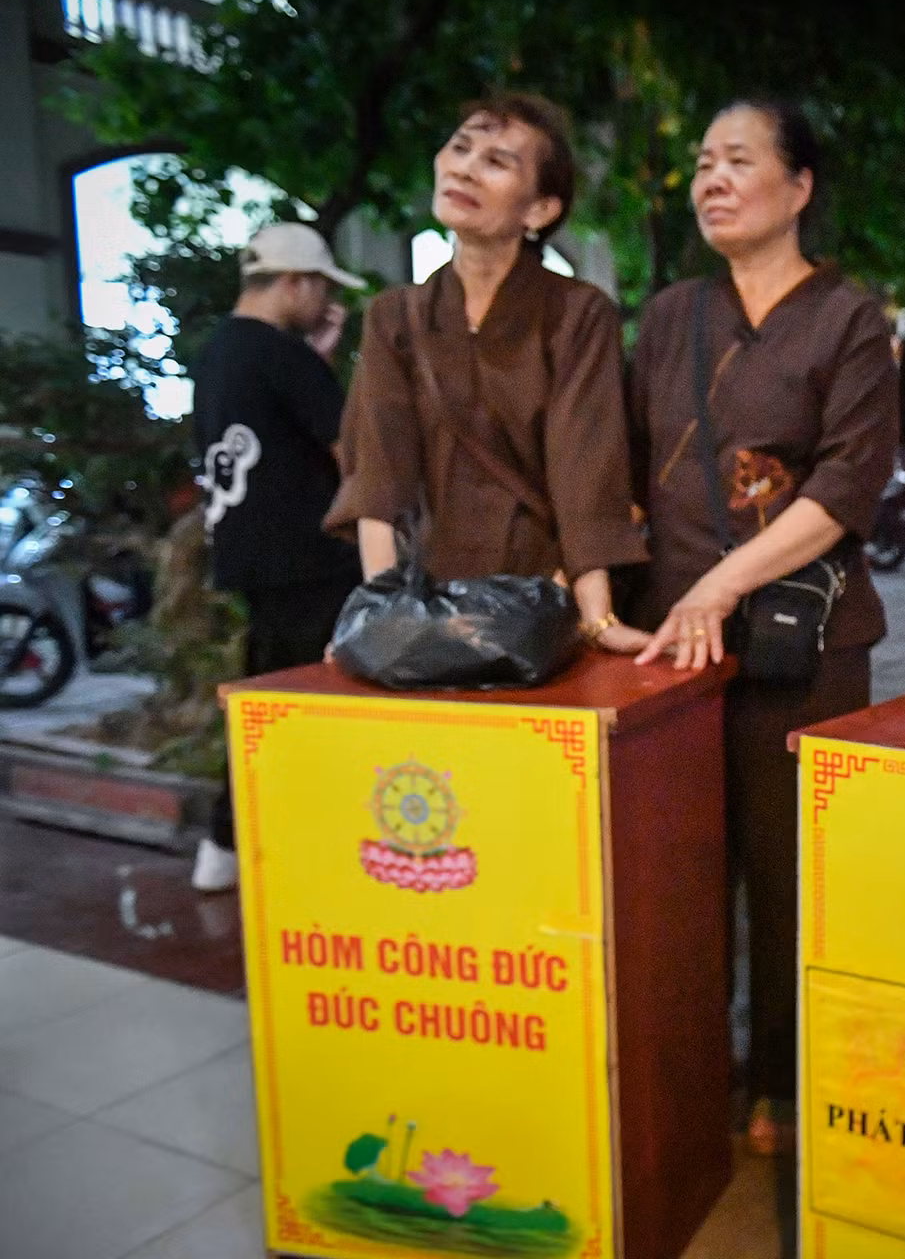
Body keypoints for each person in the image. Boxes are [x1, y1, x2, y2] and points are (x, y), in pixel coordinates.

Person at [625, 99, 897, 1156]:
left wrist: (722, 585)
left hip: (802, 641)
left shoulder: (850, 318)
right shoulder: (668, 316)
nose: (712, 180)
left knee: (788, 874)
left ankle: (782, 1080)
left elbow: (847, 485)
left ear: (800, 186)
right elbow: (622, 463)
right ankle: (690, 1070)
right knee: (680, 873)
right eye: (702, 163)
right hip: (671, 644)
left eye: (738, 160)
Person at [325, 94, 646, 649]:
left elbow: (586, 470)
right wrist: (381, 616)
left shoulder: (577, 313)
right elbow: (379, 476)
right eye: (460, 148)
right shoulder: (395, 316)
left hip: (542, 598)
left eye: (496, 162)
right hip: (431, 603)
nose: (465, 169)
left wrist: (596, 618)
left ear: (539, 210)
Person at [190, 223, 367, 892]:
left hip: (249, 556)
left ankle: (227, 842)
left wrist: (316, 360)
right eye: (320, 287)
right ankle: (320, 853)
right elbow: (352, 455)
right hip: (313, 558)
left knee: (263, 707)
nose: (326, 302)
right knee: (324, 711)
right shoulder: (282, 354)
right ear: (294, 282)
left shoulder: (219, 351)